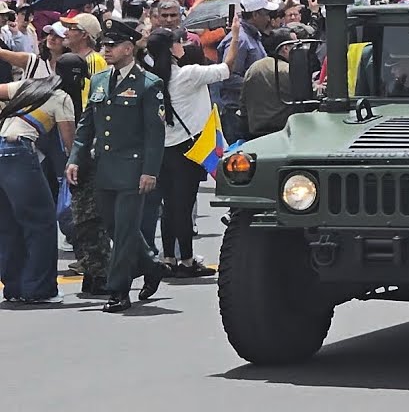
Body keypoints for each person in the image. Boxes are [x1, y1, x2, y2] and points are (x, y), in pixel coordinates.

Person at [66, 18, 169, 312]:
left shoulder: (149, 84)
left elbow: (155, 133)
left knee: (124, 230)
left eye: (112, 46)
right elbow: (87, 125)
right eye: (104, 45)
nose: (106, 50)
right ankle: (152, 265)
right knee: (113, 227)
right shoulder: (99, 80)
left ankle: (119, 290)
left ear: (128, 48)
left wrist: (150, 171)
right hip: (105, 169)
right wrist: (76, 158)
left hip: (133, 170)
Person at [144, 23, 237, 277]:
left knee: (169, 207)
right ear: (171, 49)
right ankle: (186, 261)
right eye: (177, 42)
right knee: (183, 207)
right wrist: (235, 34)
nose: (181, 45)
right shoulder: (189, 74)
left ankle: (169, 259)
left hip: (161, 151)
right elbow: (227, 68)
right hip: (188, 149)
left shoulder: (150, 79)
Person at [0, 75, 77, 304]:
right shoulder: (62, 98)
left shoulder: (27, 87)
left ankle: (14, 288)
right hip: (19, 152)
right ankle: (40, 289)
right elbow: (69, 143)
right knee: (41, 223)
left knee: (8, 224)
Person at [215, 0, 274, 144]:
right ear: (255, 15)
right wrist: (259, 85)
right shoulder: (240, 39)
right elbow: (228, 77)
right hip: (236, 113)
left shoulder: (253, 36)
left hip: (252, 109)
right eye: (265, 14)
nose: (268, 18)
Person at [241, 28, 297, 139]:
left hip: (254, 134)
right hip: (284, 133)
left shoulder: (254, 67)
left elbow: (243, 103)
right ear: (285, 48)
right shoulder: (289, 71)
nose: (299, 49)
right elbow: (306, 97)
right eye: (295, 45)